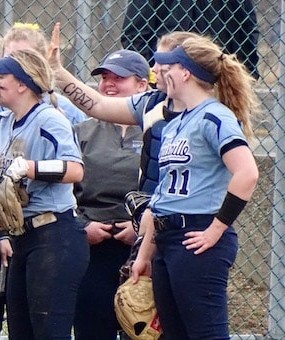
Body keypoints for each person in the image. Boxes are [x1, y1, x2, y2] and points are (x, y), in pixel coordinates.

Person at [129, 35, 259, 339]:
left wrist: (217, 229)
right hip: (166, 238)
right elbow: (163, 199)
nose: (161, 72)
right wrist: (145, 255)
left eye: (168, 66)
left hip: (198, 236)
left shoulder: (215, 116)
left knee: (206, 333)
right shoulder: (175, 121)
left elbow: (247, 173)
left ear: (185, 72)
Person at [0, 48, 89, 340]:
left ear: (23, 84)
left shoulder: (48, 118)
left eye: (2, 76)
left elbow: (75, 169)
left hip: (54, 236)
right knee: (20, 331)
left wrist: (29, 167)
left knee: (48, 332)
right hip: (22, 238)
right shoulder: (2, 122)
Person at [72, 49, 149, 340]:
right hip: (94, 244)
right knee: (92, 326)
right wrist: (82, 228)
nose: (109, 85)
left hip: (142, 246)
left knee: (141, 329)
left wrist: (141, 227)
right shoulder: (82, 131)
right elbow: (63, 193)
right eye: (105, 78)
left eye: (119, 78)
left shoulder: (157, 128)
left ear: (142, 85)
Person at [0, 22, 87, 125]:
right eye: (8, 60)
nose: (15, 65)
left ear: (41, 63)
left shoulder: (67, 111)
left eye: (25, 59)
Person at [120, 0, 260, 79]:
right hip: (168, 73)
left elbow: (246, 30)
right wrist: (151, 75)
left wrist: (244, 73)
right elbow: (134, 34)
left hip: (217, 73)